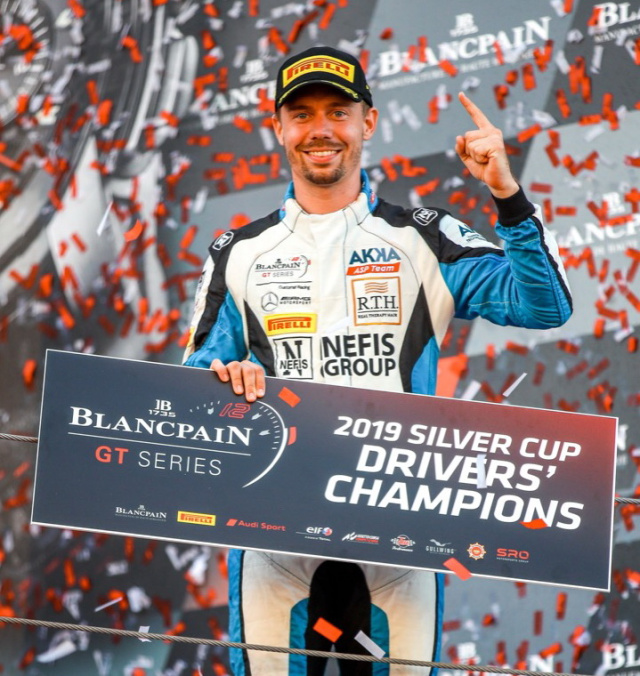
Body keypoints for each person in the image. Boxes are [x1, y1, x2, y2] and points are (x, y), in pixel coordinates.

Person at [182, 45, 573, 676]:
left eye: (338, 112)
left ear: (368, 122)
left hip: (398, 531)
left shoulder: (424, 236)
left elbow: (545, 306)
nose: (321, 129)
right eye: (302, 114)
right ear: (278, 128)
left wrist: (506, 193)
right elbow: (189, 385)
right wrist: (221, 378)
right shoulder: (238, 250)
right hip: (273, 533)